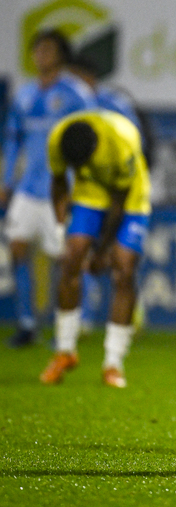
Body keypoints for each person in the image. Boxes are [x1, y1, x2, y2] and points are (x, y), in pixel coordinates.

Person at [40, 110, 151, 388]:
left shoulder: (121, 140)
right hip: (89, 193)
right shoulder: (58, 138)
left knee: (124, 268)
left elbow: (119, 201)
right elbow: (58, 182)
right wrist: (59, 226)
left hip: (130, 197)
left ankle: (113, 363)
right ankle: (64, 351)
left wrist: (103, 251)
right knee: (72, 257)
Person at [0, 30, 95, 347]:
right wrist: (7, 181)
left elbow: (90, 140)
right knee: (17, 250)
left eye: (48, 49)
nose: (41, 54)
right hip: (27, 188)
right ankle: (27, 323)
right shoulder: (24, 95)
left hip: (61, 189)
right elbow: (14, 140)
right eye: (37, 49)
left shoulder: (76, 94)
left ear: (61, 55)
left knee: (64, 261)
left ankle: (63, 326)